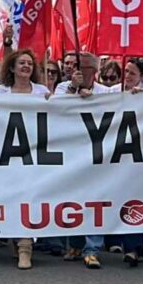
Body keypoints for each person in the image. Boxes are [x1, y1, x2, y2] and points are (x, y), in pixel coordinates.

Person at [0, 49, 50, 269]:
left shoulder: (42, 91)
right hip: (7, 156)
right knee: (12, 199)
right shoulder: (0, 92)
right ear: (12, 68)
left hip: (35, 154)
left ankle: (26, 246)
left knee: (30, 197)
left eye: (30, 64)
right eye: (21, 63)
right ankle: (17, 239)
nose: (26, 66)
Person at [55, 52, 112, 269]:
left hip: (97, 153)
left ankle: (92, 249)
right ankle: (76, 244)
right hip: (71, 153)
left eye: (83, 67)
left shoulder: (106, 91)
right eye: (74, 66)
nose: (76, 69)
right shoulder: (62, 88)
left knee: (94, 200)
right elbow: (57, 107)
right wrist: (73, 89)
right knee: (73, 200)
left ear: (94, 71)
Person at [110, 56, 143, 265]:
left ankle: (134, 247)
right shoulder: (112, 92)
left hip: (139, 155)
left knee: (135, 199)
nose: (126, 76)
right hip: (112, 155)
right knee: (114, 196)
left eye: (132, 73)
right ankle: (114, 239)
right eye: (126, 71)